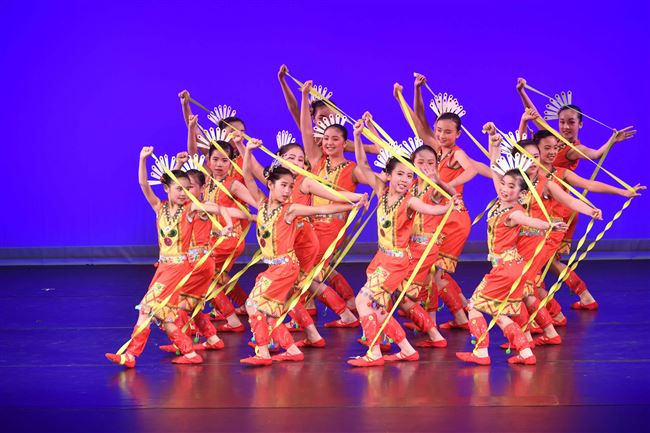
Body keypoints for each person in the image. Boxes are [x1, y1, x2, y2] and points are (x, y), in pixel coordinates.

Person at [240, 138, 366, 366]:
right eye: (284, 186)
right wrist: (247, 151)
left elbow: (324, 207)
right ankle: (293, 345)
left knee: (255, 305)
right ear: (270, 185)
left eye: (290, 186)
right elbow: (248, 176)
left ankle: (265, 350)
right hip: (277, 266)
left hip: (288, 264)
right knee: (275, 307)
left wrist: (353, 204)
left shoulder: (291, 209)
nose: (288, 190)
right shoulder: (262, 204)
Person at [348, 120, 452, 367]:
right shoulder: (382, 192)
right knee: (377, 306)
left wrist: (449, 204)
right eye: (400, 174)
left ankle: (374, 352)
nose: (406, 179)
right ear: (388, 175)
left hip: (395, 262)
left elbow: (433, 209)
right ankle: (406, 349)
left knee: (363, 301)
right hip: (381, 258)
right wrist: (357, 136)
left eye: (409, 175)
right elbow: (362, 165)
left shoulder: (410, 201)